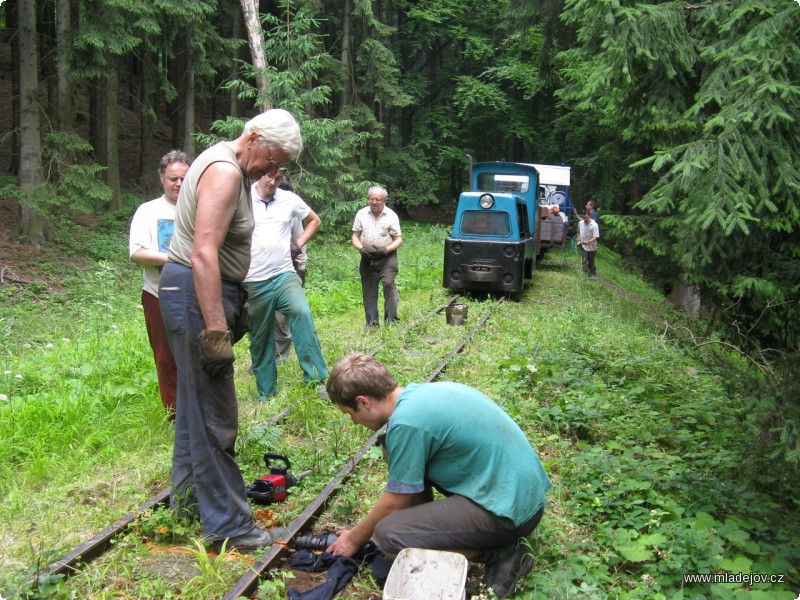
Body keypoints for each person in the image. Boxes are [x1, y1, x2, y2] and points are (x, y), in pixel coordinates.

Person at [158, 108, 302, 552]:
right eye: (273, 159)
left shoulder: (225, 165)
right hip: (195, 293)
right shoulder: (223, 172)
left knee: (193, 407)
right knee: (217, 414)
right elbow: (204, 254)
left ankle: (187, 502)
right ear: (254, 137)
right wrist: (217, 332)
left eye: (280, 167)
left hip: (192, 292)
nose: (272, 172)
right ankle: (229, 526)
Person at [324, 353, 552, 598]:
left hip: (509, 514)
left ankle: (502, 555)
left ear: (363, 402)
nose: (355, 422)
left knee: (389, 536)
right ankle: (439, 533)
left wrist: (354, 538)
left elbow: (395, 502)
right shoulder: (424, 394)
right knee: (392, 451)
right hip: (522, 497)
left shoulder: (407, 423)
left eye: (350, 414)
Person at [243, 171, 327, 400]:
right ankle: (266, 392)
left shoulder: (288, 199)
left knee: (302, 312)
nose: (272, 182)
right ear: (257, 176)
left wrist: (297, 245)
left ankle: (316, 380)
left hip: (284, 274)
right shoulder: (243, 197)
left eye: (277, 178)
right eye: (268, 176)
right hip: (254, 279)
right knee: (260, 336)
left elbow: (314, 220)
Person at [129, 150, 189, 417]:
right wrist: (173, 258)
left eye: (183, 179)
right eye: (172, 178)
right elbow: (137, 252)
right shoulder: (148, 211)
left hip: (195, 292)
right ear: (162, 179)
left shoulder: (199, 208)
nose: (178, 184)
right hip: (158, 293)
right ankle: (174, 413)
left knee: (196, 353)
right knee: (165, 356)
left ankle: (196, 407)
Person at [351, 186, 403, 326]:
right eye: (371, 199)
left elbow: (398, 240)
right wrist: (361, 249)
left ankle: (391, 320)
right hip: (367, 258)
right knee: (369, 291)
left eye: (377, 199)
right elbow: (355, 237)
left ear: (384, 201)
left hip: (387, 258)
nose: (373, 202)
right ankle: (372, 323)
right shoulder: (361, 214)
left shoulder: (391, 216)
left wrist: (386, 249)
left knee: (388, 284)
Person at [273, 174, 307, 364]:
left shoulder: (293, 214)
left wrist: (300, 269)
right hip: (260, 271)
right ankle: (264, 359)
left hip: (289, 269)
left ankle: (279, 357)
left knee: (281, 318)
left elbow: (301, 242)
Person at [578, 210, 600, 276]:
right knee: (584, 260)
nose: (584, 219)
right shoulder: (580, 223)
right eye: (583, 217)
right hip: (583, 246)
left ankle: (593, 274)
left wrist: (588, 242)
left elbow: (595, 237)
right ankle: (585, 275)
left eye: (586, 217)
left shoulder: (594, 225)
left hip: (592, 247)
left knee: (591, 262)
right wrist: (578, 240)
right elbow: (578, 232)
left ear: (589, 216)